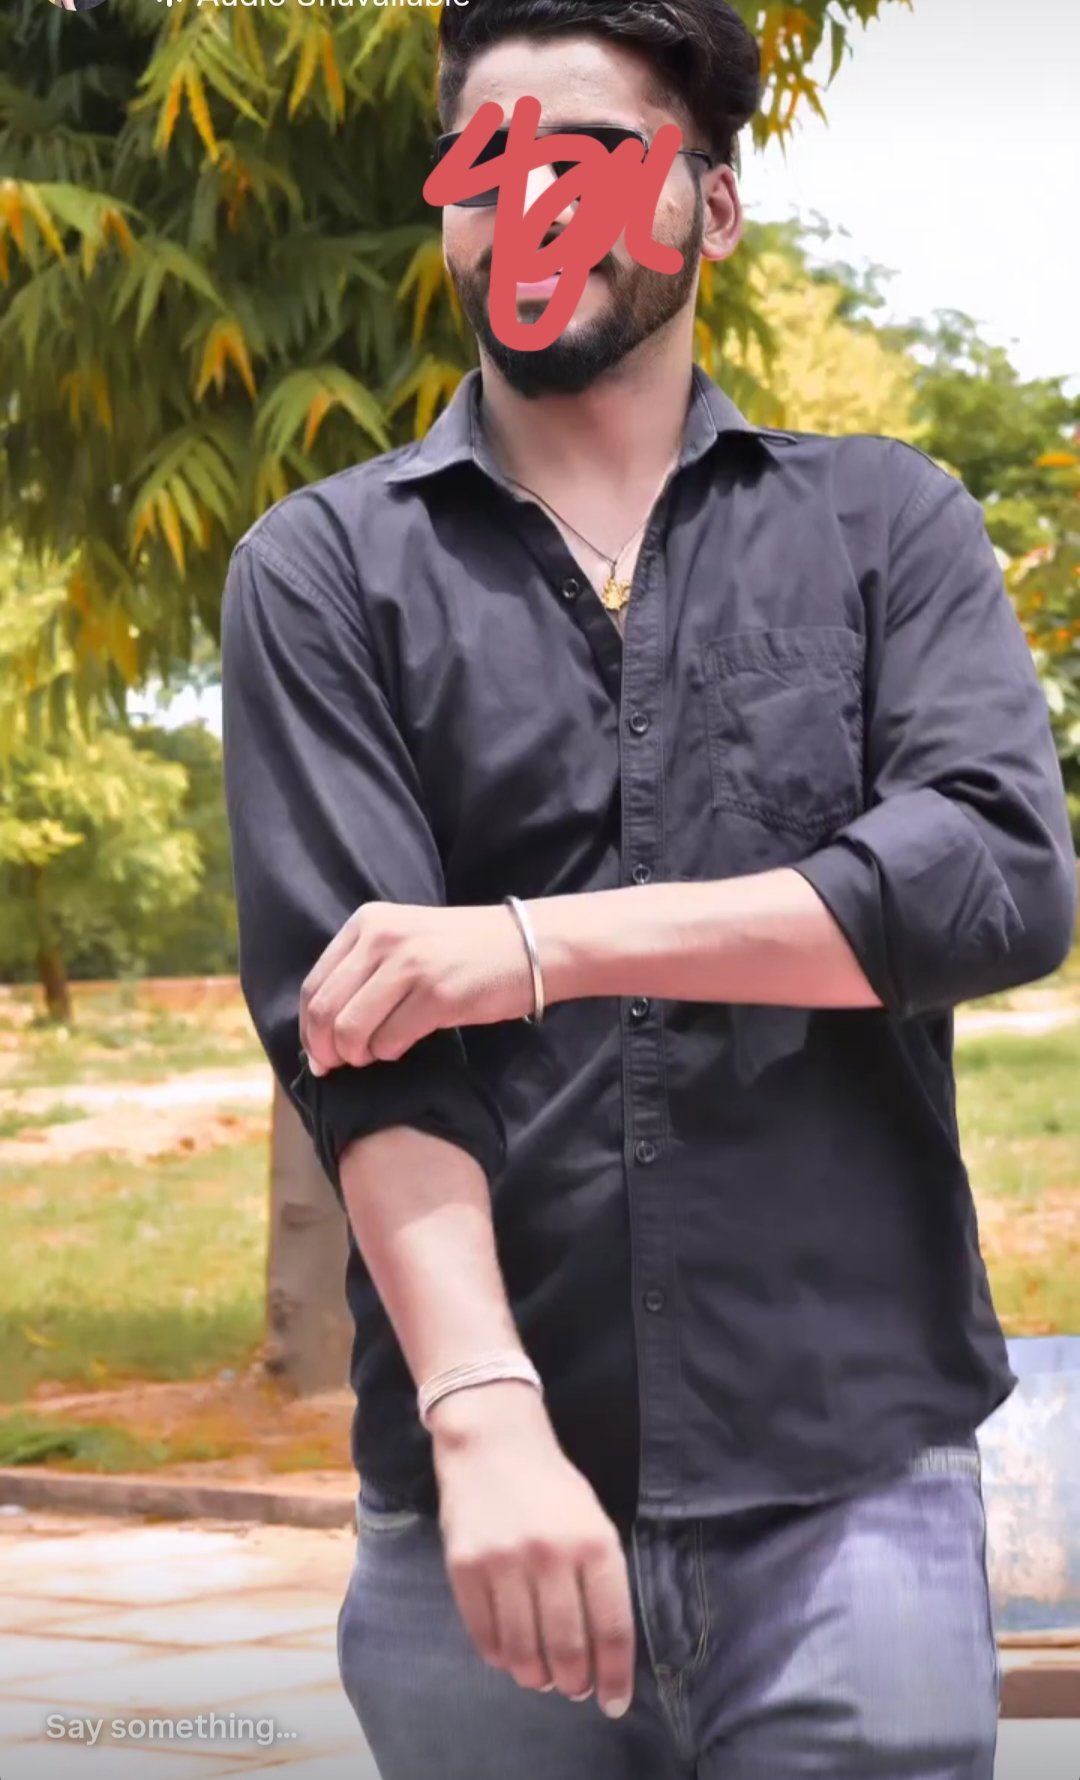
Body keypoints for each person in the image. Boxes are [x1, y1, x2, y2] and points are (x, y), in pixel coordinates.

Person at [220, 1, 1077, 1775]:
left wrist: (535, 947)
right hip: (482, 1525)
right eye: (486, 168)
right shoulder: (322, 571)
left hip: (851, 1494)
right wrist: (482, 1415)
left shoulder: (886, 524)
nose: (531, 212)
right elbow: (365, 1038)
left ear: (717, 205)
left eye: (593, 162)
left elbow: (991, 878)